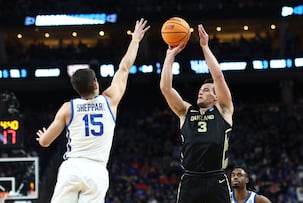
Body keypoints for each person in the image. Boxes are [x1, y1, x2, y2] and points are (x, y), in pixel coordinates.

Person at [36, 18, 150, 202]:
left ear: (76, 89)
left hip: (72, 168)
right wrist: (135, 40)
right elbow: (125, 67)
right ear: (96, 83)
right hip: (96, 170)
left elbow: (45, 142)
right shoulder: (110, 100)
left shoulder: (68, 108)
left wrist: (42, 136)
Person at [160, 24, 234, 202]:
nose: (201, 92)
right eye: (201, 89)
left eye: (207, 90)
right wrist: (170, 56)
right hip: (190, 178)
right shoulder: (186, 111)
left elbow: (218, 77)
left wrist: (205, 47)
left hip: (216, 177)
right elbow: (166, 88)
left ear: (216, 97)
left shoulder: (223, 110)